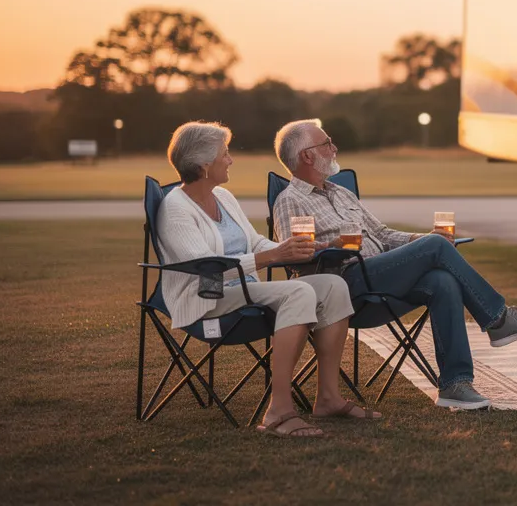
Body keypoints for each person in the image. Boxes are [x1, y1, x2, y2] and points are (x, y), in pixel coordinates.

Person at [270, 119, 517, 411]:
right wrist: (331, 246)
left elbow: (381, 234)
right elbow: (294, 257)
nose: (334, 148)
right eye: (326, 143)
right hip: (343, 286)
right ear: (307, 155)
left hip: (380, 278)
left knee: (441, 282)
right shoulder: (289, 200)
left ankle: (454, 384)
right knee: (435, 247)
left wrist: (422, 238)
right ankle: (499, 319)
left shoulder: (341, 192)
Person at [157, 121, 374, 438]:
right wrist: (269, 258)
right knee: (298, 292)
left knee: (333, 285)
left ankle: (328, 397)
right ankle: (279, 410)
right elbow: (206, 268)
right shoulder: (175, 208)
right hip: (205, 300)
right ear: (204, 165)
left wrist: (294, 249)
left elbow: (255, 243)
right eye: (225, 154)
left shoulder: (224, 198)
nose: (230, 160)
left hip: (243, 291)